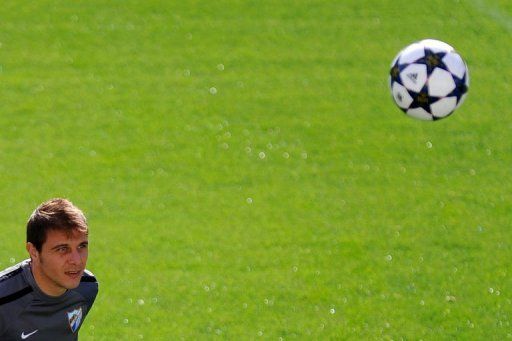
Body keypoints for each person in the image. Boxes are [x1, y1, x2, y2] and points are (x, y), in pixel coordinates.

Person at [0, 198, 98, 339]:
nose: (77, 260)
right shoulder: (4, 300)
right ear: (33, 251)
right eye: (62, 249)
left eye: (82, 246)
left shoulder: (86, 287)